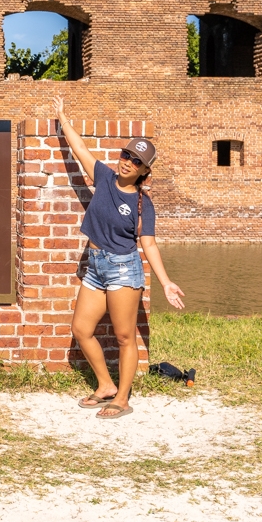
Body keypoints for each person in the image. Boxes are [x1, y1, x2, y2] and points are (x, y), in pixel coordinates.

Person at [53, 96, 185, 419]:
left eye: (136, 161)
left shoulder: (143, 204)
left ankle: (122, 399)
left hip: (124, 270)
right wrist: (63, 119)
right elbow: (81, 151)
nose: (127, 162)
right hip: (96, 266)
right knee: (81, 329)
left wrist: (166, 283)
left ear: (144, 171)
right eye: (126, 154)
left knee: (125, 336)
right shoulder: (103, 177)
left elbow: (149, 245)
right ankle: (105, 386)